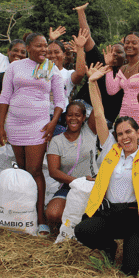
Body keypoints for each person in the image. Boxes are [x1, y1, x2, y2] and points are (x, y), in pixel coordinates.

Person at [74, 64, 139, 276]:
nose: (124, 137)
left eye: (128, 132)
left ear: (137, 132)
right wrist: (92, 82)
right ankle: (109, 247)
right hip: (111, 214)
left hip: (136, 217)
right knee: (83, 230)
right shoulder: (110, 152)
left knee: (132, 271)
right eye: (120, 133)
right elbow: (98, 114)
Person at [0, 32, 66, 236]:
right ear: (28, 47)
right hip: (15, 124)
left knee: (35, 170)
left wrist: (53, 122)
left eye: (46, 46)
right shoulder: (15, 67)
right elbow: (5, 97)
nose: (44, 49)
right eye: (39, 46)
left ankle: (40, 218)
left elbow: (61, 101)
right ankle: (23, 213)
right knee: (22, 171)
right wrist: (0, 126)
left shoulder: (51, 68)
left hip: (39, 125)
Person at [46, 98, 100, 229]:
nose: (73, 118)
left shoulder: (90, 130)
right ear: (65, 117)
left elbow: (98, 105)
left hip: (93, 184)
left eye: (77, 115)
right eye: (70, 115)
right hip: (70, 185)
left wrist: (93, 81)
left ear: (83, 118)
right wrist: (78, 182)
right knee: (53, 214)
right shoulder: (57, 141)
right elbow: (54, 172)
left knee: (96, 216)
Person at [105, 32, 139, 148]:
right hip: (125, 115)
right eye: (127, 42)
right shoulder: (123, 68)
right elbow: (111, 90)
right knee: (126, 148)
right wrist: (109, 66)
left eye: (134, 43)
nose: (130, 45)